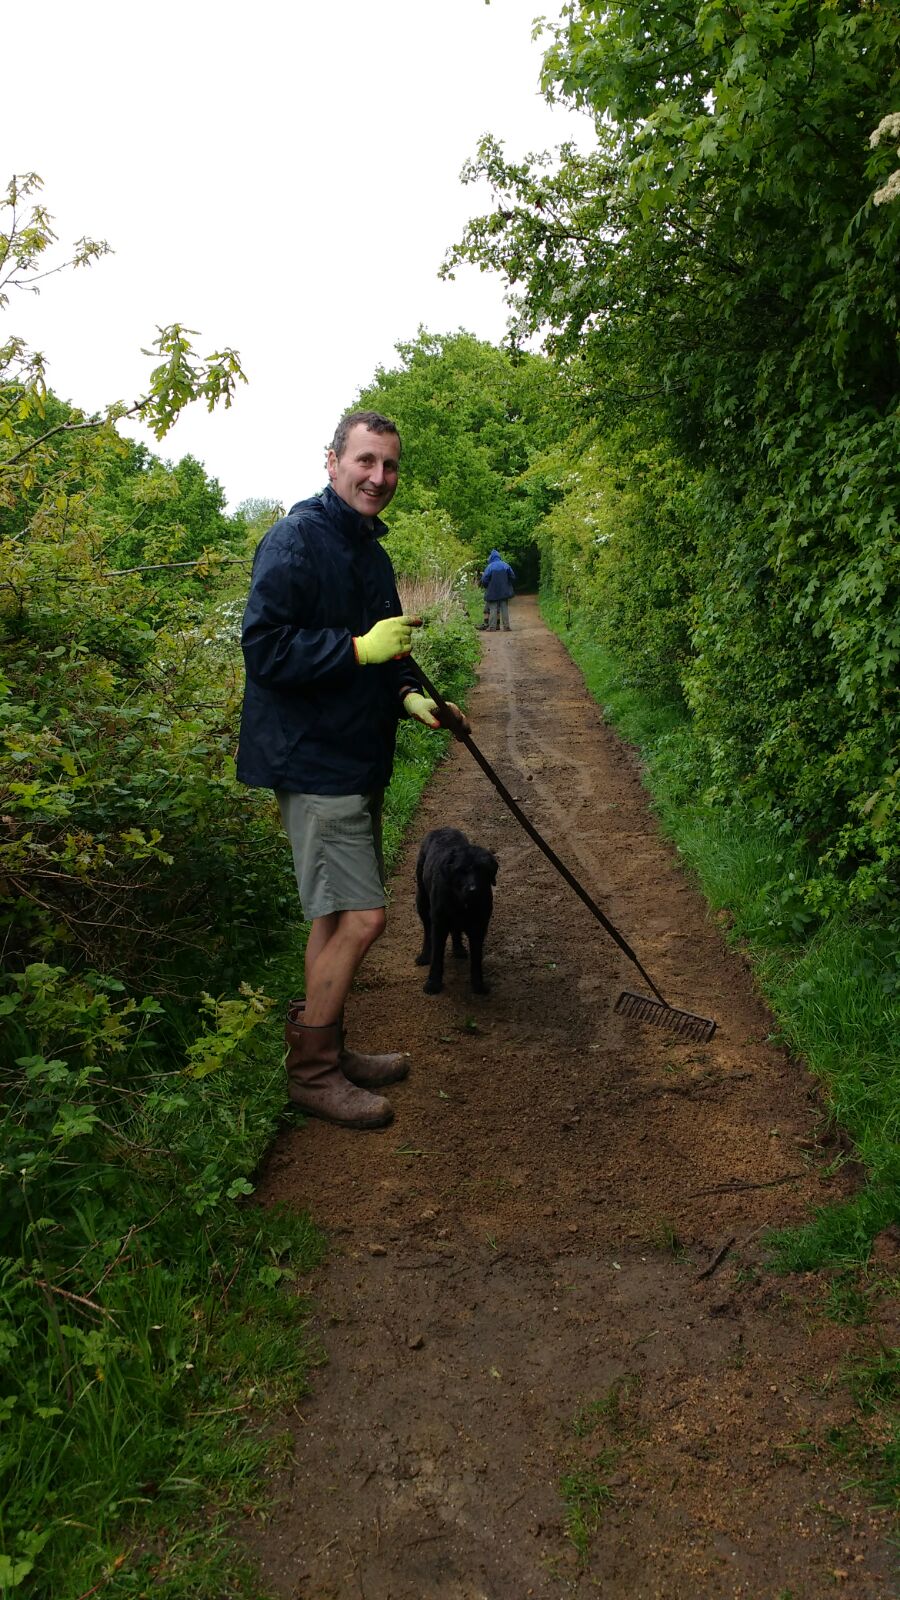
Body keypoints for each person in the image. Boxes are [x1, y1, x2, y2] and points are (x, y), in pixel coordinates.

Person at [237, 410, 469, 1131]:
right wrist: (358, 650)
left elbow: (389, 651)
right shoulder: (296, 540)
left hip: (356, 754)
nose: (378, 476)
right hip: (313, 759)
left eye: (389, 464)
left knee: (335, 916)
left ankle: (327, 1049)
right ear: (332, 461)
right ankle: (312, 1075)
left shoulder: (369, 551)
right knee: (365, 918)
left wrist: (411, 698)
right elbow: (265, 650)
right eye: (365, 460)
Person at [480, 548, 516, 631]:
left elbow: (484, 579)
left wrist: (487, 586)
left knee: (493, 608)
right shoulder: (505, 565)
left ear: (491, 558)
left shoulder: (490, 567)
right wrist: (507, 583)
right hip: (504, 591)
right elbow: (512, 576)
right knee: (504, 608)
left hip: (492, 591)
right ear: (499, 557)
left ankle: (492, 627)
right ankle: (506, 626)